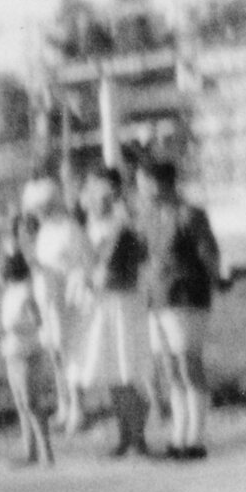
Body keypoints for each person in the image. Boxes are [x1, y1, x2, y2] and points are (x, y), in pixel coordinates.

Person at [137, 157, 221, 461]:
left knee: (188, 363)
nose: (139, 188)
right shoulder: (149, 216)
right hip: (157, 298)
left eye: (143, 181)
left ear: (159, 183)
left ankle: (195, 438)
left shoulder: (190, 215)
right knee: (170, 367)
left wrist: (217, 279)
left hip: (185, 296)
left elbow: (209, 254)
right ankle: (178, 435)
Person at [71, 168, 154, 457]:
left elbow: (109, 269)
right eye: (94, 193)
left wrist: (91, 271)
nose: (99, 200)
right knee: (111, 373)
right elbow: (88, 267)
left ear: (116, 194)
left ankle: (138, 438)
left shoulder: (123, 226)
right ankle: (125, 436)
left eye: (106, 194)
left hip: (122, 303)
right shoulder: (90, 227)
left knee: (126, 370)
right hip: (101, 305)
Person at [24, 178, 93, 435]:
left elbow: (85, 263)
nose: (39, 212)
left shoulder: (70, 229)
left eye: (43, 206)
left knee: (70, 353)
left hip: (67, 299)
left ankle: (78, 408)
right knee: (55, 355)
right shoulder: (44, 232)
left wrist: (58, 273)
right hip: (47, 301)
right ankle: (63, 405)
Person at [0, 233, 55, 467]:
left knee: (31, 402)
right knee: (21, 402)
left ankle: (45, 450)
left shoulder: (25, 292)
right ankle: (29, 450)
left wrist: (11, 328)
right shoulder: (9, 293)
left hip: (26, 351)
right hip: (11, 351)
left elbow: (36, 320)